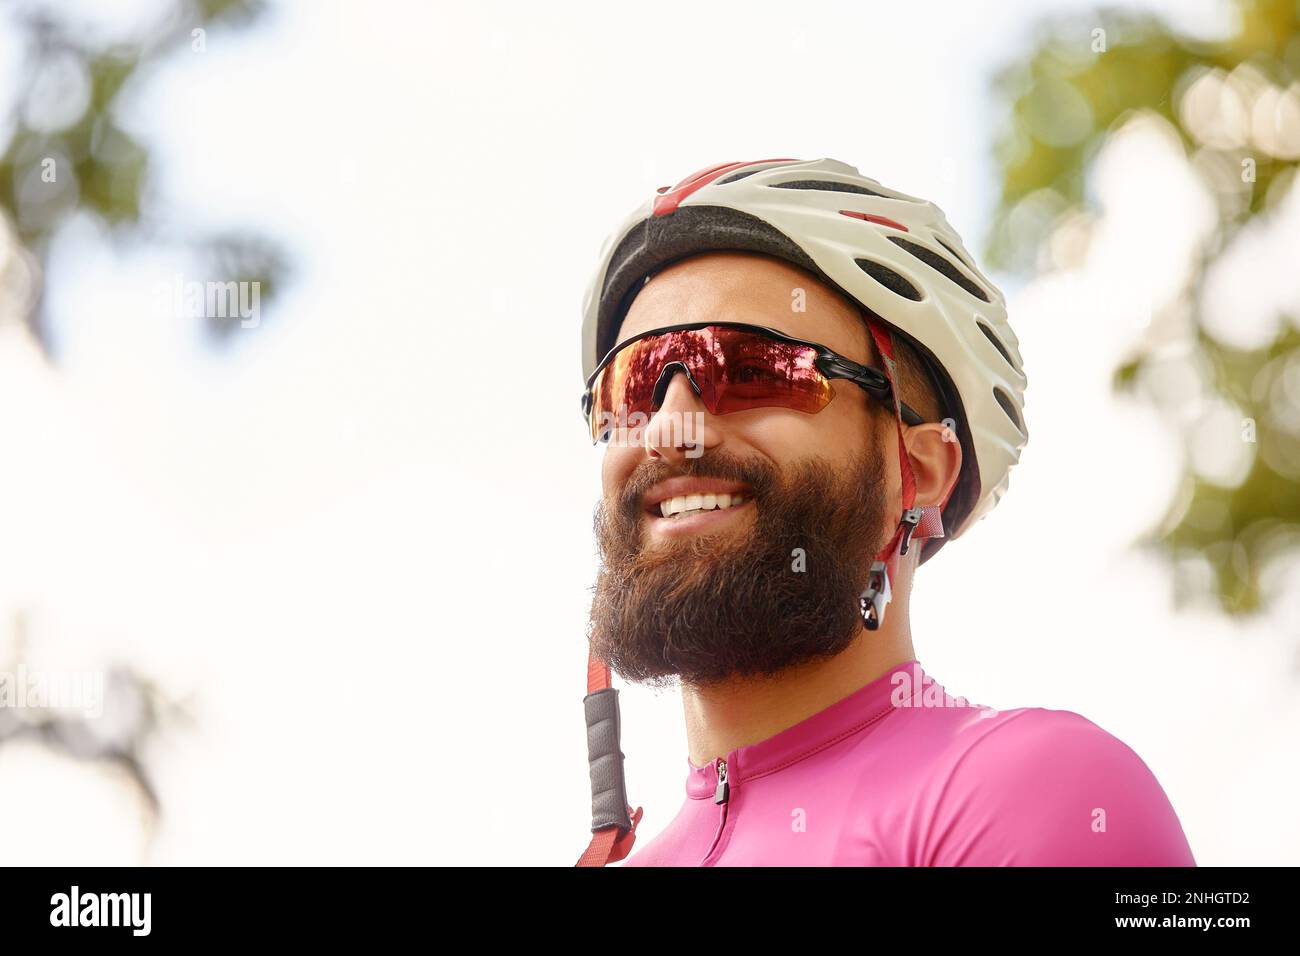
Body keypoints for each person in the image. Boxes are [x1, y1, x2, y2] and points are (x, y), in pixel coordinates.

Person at [573, 158, 1195, 867]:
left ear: (920, 472)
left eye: (752, 371)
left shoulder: (1032, 792)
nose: (667, 430)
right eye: (635, 385)